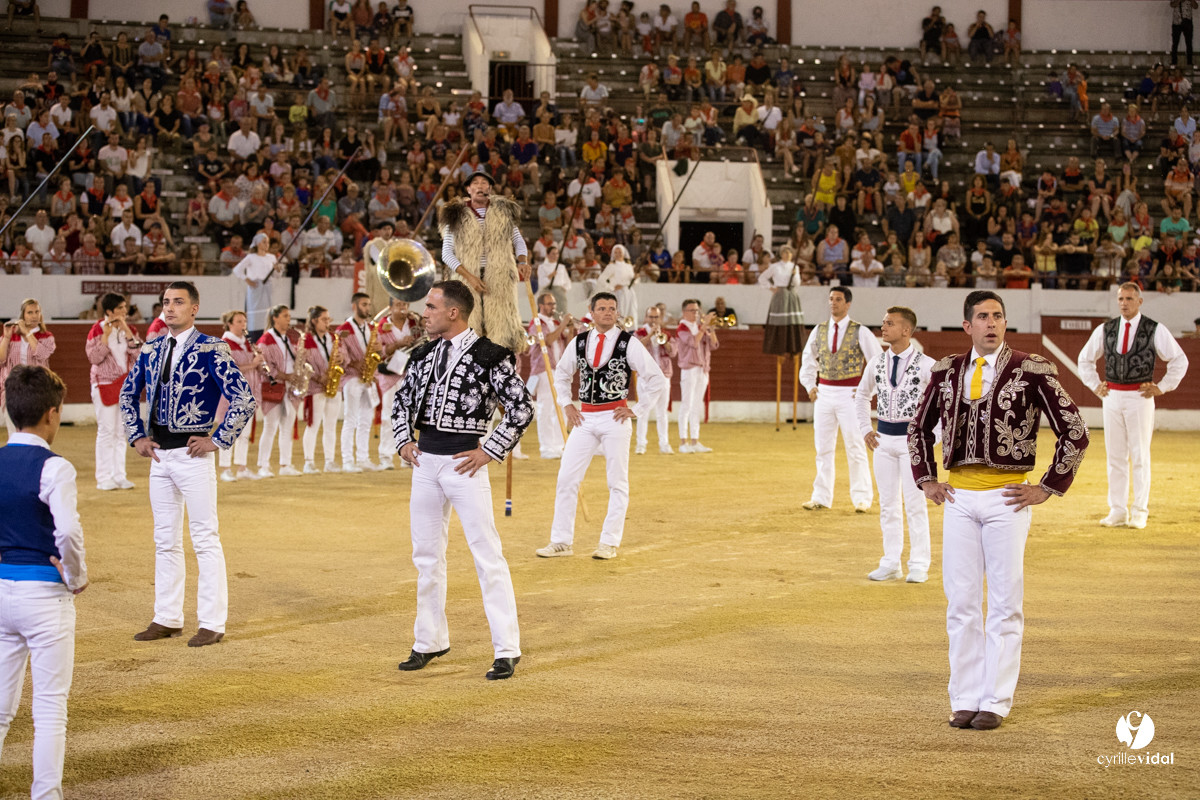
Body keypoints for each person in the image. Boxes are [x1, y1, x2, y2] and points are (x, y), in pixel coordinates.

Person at [909, 291, 1089, 731]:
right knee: (962, 604)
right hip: (959, 502)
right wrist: (926, 478)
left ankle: (995, 700)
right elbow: (918, 427)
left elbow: (1076, 432)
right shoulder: (946, 370)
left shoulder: (1032, 369)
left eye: (998, 316)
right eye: (983, 317)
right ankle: (965, 697)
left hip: (1008, 501)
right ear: (966, 326)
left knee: (1005, 604)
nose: (992, 323)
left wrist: (1048, 487)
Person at [391, 281, 532, 680]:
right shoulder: (421, 354)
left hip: (463, 464)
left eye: (432, 306)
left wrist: (490, 449)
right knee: (426, 556)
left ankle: (507, 648)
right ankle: (429, 640)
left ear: (454, 312)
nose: (425, 312)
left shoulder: (489, 355)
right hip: (425, 465)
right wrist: (403, 441)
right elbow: (401, 401)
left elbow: (522, 407)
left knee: (487, 555)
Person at [120, 282, 256, 648]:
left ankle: (212, 621)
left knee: (204, 538)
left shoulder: (212, 348)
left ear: (194, 308)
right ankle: (166, 617)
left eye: (178, 302)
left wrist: (218, 439)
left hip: (193, 456)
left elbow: (243, 397)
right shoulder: (151, 348)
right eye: (166, 302)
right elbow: (127, 394)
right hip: (160, 457)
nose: (170, 308)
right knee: (165, 540)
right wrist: (137, 436)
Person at [0, 365, 88, 800]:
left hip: (1, 591)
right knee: (50, 708)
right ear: (52, 414)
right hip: (44, 595)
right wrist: (75, 576)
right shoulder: (55, 467)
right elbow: (68, 532)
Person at [536, 292, 667, 560]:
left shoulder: (628, 343)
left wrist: (637, 409)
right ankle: (561, 541)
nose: (608, 312)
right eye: (602, 308)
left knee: (616, 482)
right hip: (584, 417)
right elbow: (561, 374)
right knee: (566, 478)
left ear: (617, 313)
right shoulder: (579, 341)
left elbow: (656, 378)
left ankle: (609, 542)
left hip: (614, 418)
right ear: (592, 312)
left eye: (612, 309)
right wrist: (567, 404)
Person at [1076, 283, 1189, 529]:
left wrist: (1163, 386)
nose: (1124, 303)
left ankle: (1140, 511)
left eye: (1128, 298)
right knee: (1115, 456)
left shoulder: (1154, 329)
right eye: (1120, 299)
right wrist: (1095, 385)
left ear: (1140, 301)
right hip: (1112, 397)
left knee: (1139, 455)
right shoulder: (1106, 329)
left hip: (1141, 397)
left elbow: (1179, 359)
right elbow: (1084, 359)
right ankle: (1117, 510)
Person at [855, 307, 936, 583]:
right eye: (883, 323)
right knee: (888, 504)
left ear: (906, 330)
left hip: (912, 443)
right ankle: (891, 561)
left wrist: (930, 436)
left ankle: (919, 563)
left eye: (890, 324)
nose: (883, 328)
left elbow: (941, 404)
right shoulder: (877, 362)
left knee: (915, 504)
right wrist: (866, 428)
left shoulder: (928, 365)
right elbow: (862, 396)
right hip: (884, 440)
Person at [798, 287, 881, 512]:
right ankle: (821, 497)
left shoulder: (860, 331)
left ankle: (862, 498)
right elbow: (808, 358)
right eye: (831, 299)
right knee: (822, 448)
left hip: (850, 395)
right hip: (824, 393)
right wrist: (810, 385)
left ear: (848, 304)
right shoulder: (819, 329)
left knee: (855, 446)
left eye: (838, 300)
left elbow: (877, 363)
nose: (833, 303)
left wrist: (867, 391)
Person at [439, 169, 530, 353]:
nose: (480, 186)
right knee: (467, 324)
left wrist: (522, 261)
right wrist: (470, 277)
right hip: (466, 279)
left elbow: (518, 240)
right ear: (468, 189)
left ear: (490, 188)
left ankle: (498, 363)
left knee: (501, 327)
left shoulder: (503, 212)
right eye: (476, 183)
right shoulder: (455, 214)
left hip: (499, 277)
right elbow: (447, 253)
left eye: (484, 183)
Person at [84, 293, 142, 491]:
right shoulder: (96, 330)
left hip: (125, 385)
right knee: (107, 431)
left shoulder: (130, 330)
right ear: (109, 311)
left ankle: (119, 475)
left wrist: (125, 329)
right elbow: (94, 358)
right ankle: (103, 477)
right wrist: (106, 337)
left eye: (125, 307)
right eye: (121, 308)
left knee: (120, 432)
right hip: (104, 384)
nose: (125, 311)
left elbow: (140, 354)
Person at [336, 292, 384, 472]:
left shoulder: (372, 328)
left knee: (365, 420)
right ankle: (348, 460)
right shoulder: (343, 329)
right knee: (351, 419)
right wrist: (357, 363)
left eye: (368, 304)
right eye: (364, 304)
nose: (367, 308)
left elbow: (380, 354)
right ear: (354, 306)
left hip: (369, 379)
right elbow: (341, 354)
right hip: (351, 378)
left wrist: (380, 351)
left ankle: (363, 458)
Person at [256, 305, 303, 478]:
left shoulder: (287, 338)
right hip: (275, 386)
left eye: (289, 315)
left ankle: (285, 464)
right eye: (285, 316)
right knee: (270, 426)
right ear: (275, 318)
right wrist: (284, 375)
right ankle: (263, 465)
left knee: (287, 426)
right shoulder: (266, 339)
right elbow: (263, 367)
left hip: (289, 386)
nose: (288, 319)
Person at [216, 310, 263, 482]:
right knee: (228, 431)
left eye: (244, 321)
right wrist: (252, 364)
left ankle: (241, 467)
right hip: (231, 395)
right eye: (239, 321)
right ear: (230, 324)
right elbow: (228, 370)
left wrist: (259, 361)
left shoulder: (247, 344)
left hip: (248, 394)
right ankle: (225, 469)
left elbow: (255, 368)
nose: (243, 325)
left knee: (244, 433)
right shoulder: (224, 343)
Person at [375, 298, 421, 469]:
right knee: (388, 416)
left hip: (409, 375)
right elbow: (379, 352)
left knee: (410, 417)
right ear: (390, 308)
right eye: (399, 305)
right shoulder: (381, 326)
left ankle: (407, 456)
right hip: (389, 376)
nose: (403, 308)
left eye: (405, 304)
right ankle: (385, 457)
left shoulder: (414, 323)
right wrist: (399, 344)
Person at [526, 292, 572, 460]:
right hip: (543, 368)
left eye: (554, 303)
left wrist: (570, 329)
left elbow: (566, 344)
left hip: (558, 368)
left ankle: (559, 445)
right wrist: (563, 325)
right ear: (541, 305)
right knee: (546, 409)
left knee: (560, 407)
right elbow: (547, 340)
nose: (553, 307)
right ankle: (546, 447)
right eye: (550, 304)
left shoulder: (554, 322)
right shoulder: (536, 322)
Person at [301, 305, 343, 474]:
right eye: (324, 319)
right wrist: (318, 377)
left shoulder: (333, 338)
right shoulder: (306, 340)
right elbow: (301, 365)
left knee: (331, 425)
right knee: (313, 425)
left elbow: (344, 357)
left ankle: (329, 460)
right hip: (315, 387)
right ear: (314, 321)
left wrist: (342, 357)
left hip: (333, 384)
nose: (328, 323)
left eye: (328, 319)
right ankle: (308, 461)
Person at [675, 299, 719, 453]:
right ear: (684, 312)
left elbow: (714, 345)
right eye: (692, 311)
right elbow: (694, 342)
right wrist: (704, 327)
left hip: (702, 369)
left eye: (697, 310)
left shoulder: (700, 327)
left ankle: (695, 440)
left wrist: (711, 329)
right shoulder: (682, 328)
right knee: (686, 404)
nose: (695, 313)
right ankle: (683, 442)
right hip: (689, 368)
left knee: (696, 405)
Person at [1, 299, 55, 422]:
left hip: (37, 387)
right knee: (13, 428)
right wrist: (7, 337)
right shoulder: (11, 334)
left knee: (35, 426)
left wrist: (27, 333)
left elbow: (42, 355)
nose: (34, 316)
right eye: (30, 312)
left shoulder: (46, 336)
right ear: (23, 315)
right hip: (13, 386)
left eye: (37, 312)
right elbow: (1, 359)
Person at [635, 305, 676, 454]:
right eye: (650, 317)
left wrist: (664, 341)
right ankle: (641, 444)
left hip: (663, 375)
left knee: (662, 412)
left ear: (660, 318)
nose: (653, 320)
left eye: (656, 317)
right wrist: (650, 335)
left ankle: (664, 444)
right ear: (646, 318)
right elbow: (636, 349)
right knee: (643, 411)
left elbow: (674, 353)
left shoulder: (666, 334)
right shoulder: (639, 333)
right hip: (646, 377)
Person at [758, 246, 804, 354]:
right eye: (785, 252)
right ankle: (779, 347)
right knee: (780, 321)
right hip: (780, 295)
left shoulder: (795, 266)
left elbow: (797, 283)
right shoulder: (775, 266)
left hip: (791, 294)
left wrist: (795, 275)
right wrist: (771, 288)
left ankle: (793, 347)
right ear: (781, 254)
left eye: (789, 253)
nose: (787, 255)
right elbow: (762, 278)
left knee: (792, 320)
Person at [231, 236, 277, 339]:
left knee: (268, 311)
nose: (267, 244)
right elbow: (237, 270)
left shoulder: (271, 257)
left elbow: (276, 275)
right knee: (255, 313)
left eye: (268, 242)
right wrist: (247, 279)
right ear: (258, 244)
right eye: (264, 242)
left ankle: (267, 333)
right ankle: (254, 335)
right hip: (256, 288)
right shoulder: (251, 257)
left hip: (267, 288)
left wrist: (278, 270)